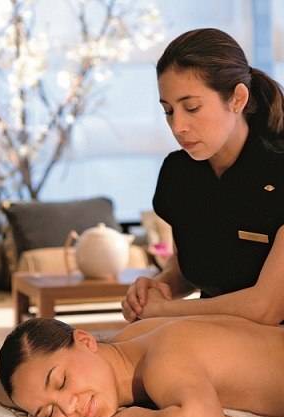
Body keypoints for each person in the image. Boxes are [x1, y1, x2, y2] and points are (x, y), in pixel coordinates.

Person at [122, 28, 284, 325]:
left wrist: (162, 312)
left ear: (238, 99)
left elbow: (266, 308)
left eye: (192, 107)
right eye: (168, 111)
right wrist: (157, 289)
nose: (178, 126)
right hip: (213, 331)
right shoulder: (179, 174)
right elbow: (188, 269)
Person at [0, 316, 284, 417]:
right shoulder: (128, 342)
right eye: (50, 411)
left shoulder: (162, 361)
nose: (69, 408)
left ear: (85, 341)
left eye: (62, 381)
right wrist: (39, 411)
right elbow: (1, 387)